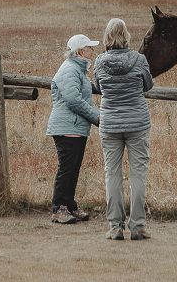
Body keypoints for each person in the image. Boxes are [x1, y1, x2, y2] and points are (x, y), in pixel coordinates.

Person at [93, 18, 154, 241]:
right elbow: (148, 84)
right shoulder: (139, 60)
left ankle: (115, 226)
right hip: (137, 122)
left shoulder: (100, 62)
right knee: (138, 174)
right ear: (126, 35)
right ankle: (137, 226)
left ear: (107, 37)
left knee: (112, 174)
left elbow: (98, 87)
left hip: (110, 123)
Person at [46, 33, 100, 224]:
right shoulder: (70, 69)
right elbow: (73, 99)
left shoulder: (78, 70)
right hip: (67, 126)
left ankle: (69, 206)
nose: (92, 50)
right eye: (89, 47)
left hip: (75, 126)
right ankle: (58, 208)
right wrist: (97, 117)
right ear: (79, 51)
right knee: (67, 168)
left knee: (73, 168)